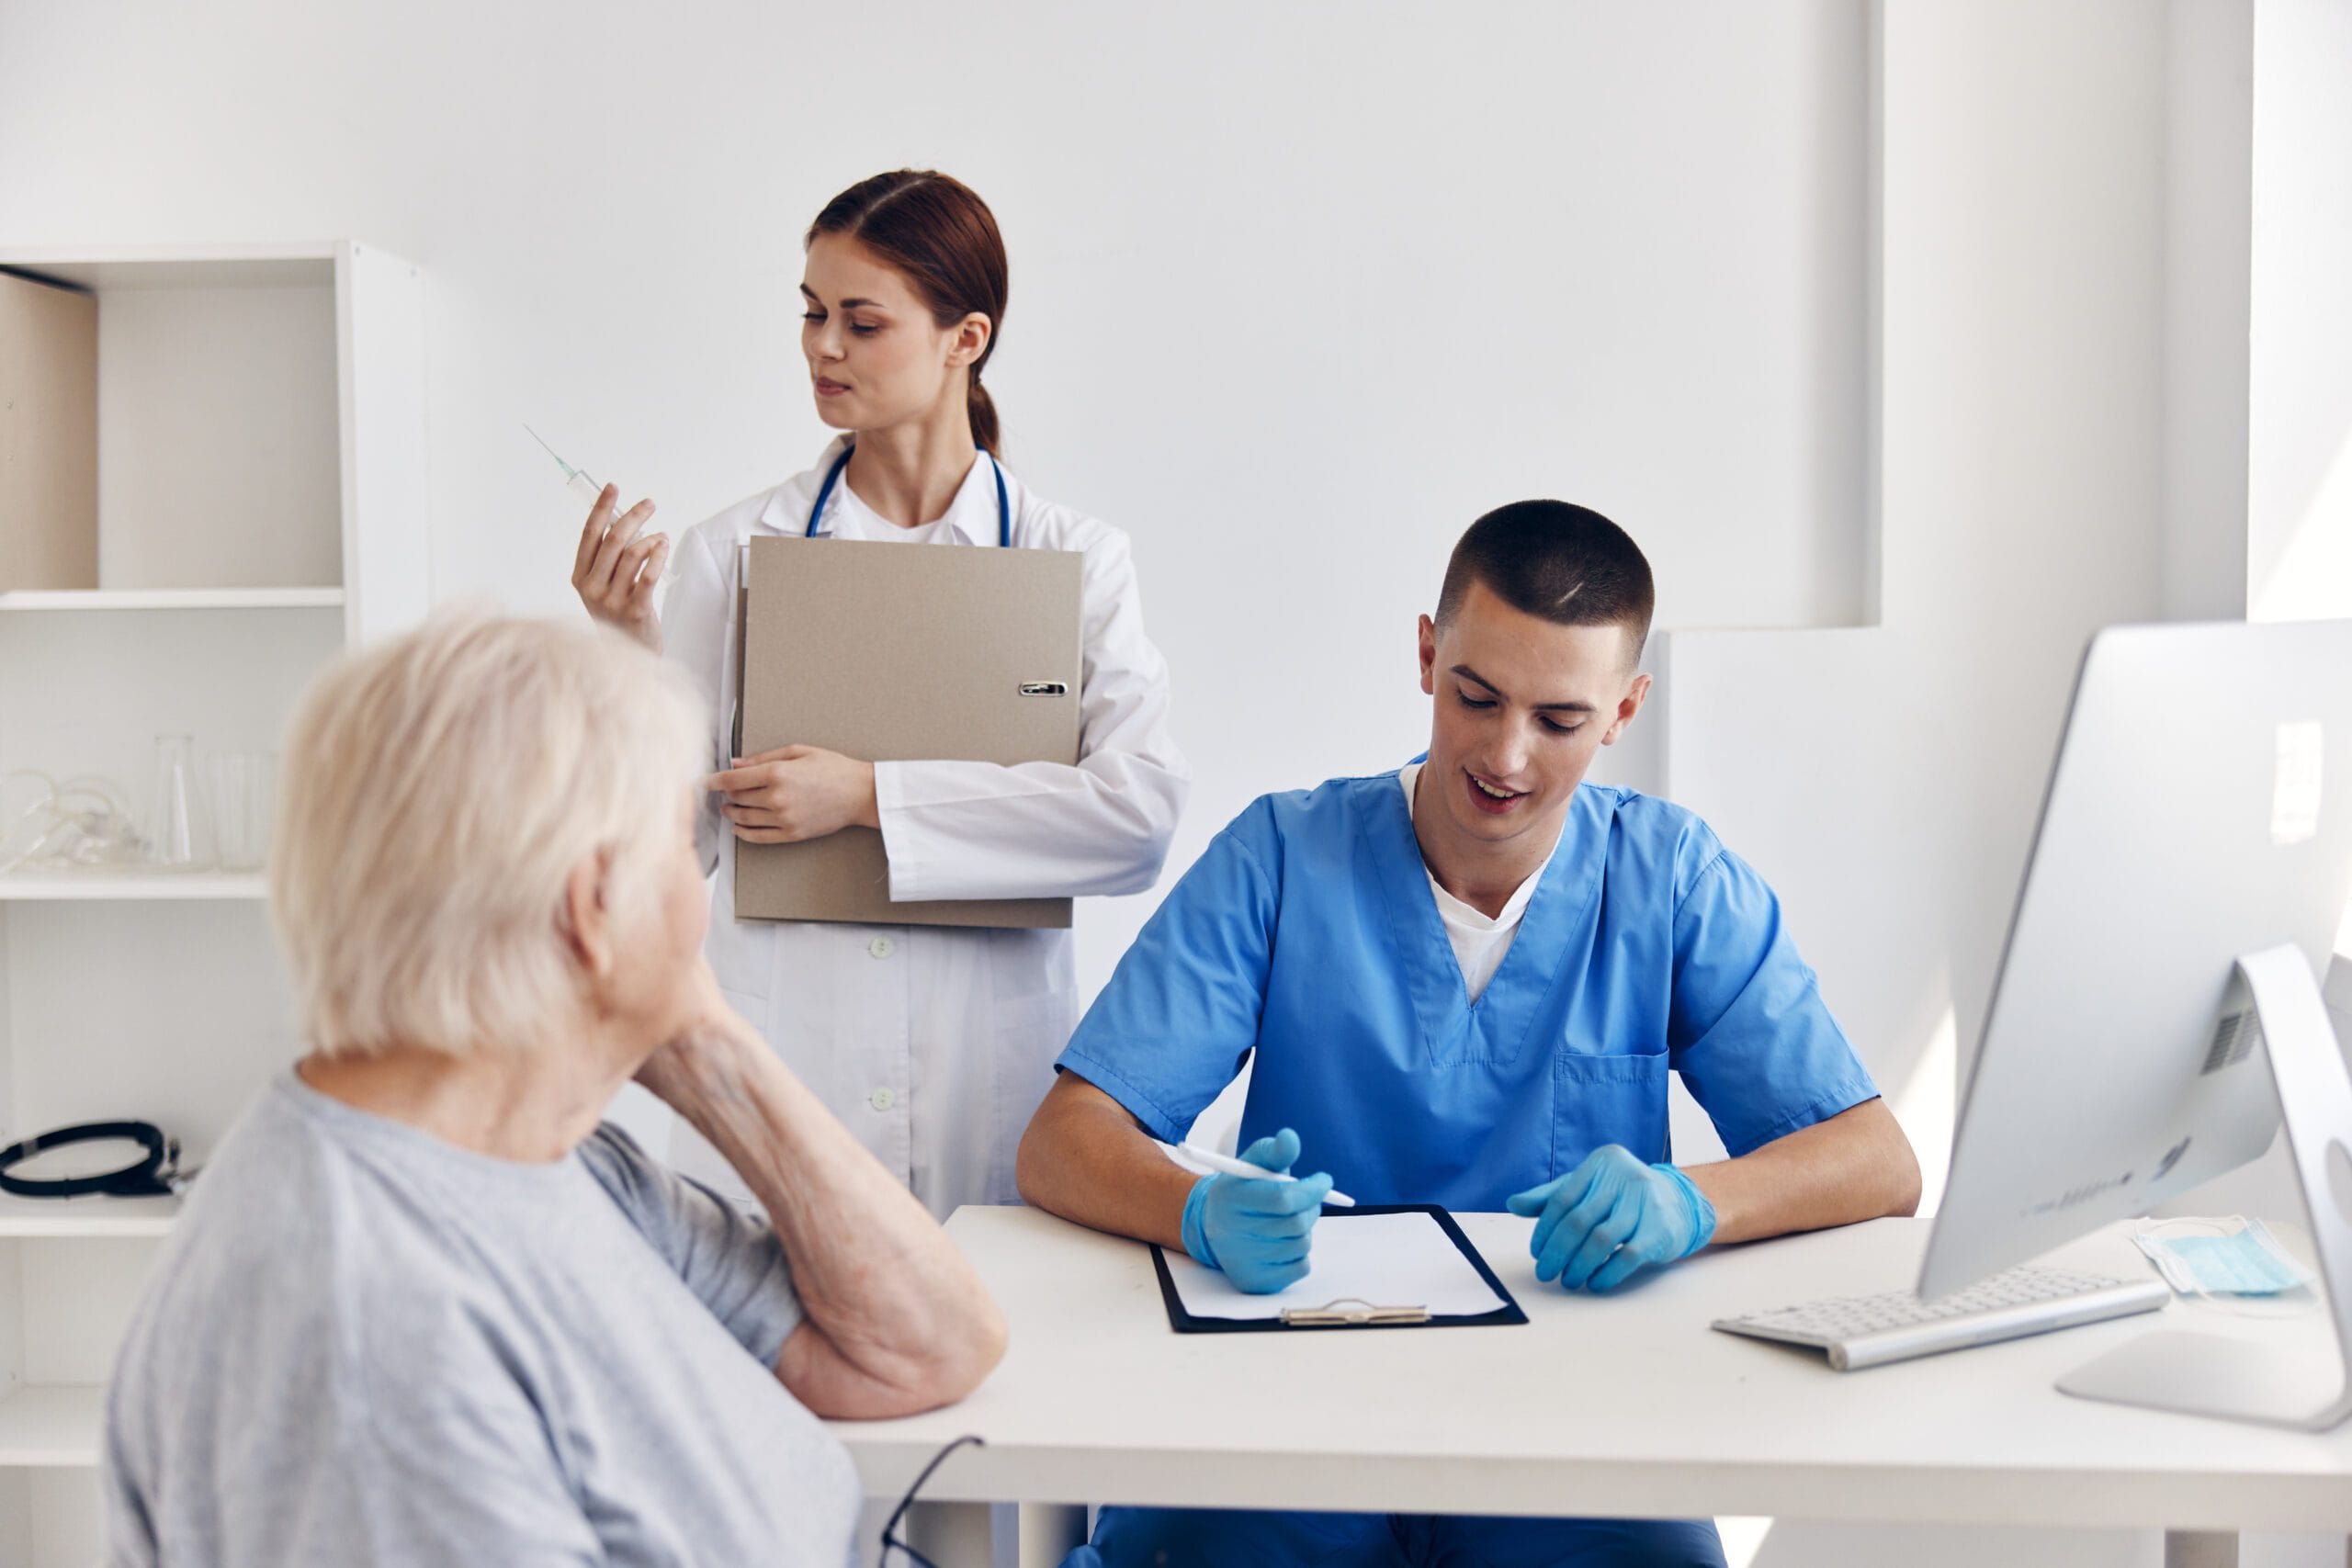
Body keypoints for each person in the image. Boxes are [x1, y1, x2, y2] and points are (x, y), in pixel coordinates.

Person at [1017, 502, 1922, 1568]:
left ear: (1625, 710)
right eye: (1476, 697)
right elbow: (1064, 1139)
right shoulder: (1281, 855)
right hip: (1287, 1407)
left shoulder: (1669, 880)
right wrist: (1198, 1211)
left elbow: (1875, 1161)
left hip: (1571, 1423)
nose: (1505, 755)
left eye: (1559, 720)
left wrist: (1692, 1201)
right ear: (1425, 653)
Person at [102, 613, 1007, 1566]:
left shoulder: (551, 1159)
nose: (700, 896)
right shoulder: (369, 1329)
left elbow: (927, 1347)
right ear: (592, 904)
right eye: (679, 846)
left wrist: (702, 1040)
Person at [573, 168, 1186, 1218]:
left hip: (980, 1069)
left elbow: (1135, 825)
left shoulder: (1072, 558)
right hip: (785, 1049)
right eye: (812, 314)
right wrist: (631, 653)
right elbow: (673, 855)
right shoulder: (735, 553)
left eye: (862, 322)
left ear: (966, 337)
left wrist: (867, 795)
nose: (822, 347)